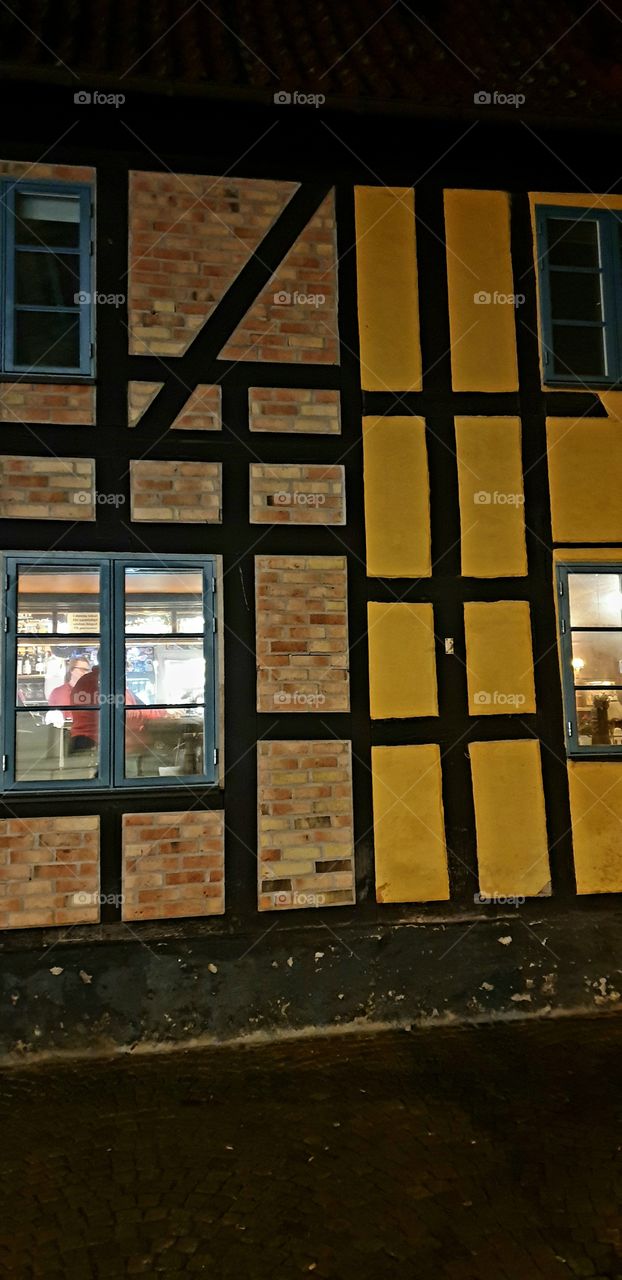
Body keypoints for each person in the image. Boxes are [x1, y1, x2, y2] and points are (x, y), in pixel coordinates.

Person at [46, 657, 91, 729]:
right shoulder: (57, 693)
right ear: (72, 670)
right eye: (82, 670)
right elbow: (51, 719)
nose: (85, 673)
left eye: (87, 670)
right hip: (63, 734)